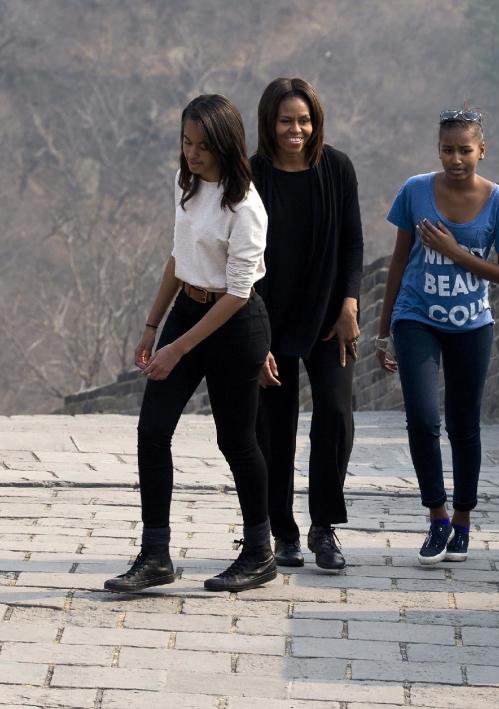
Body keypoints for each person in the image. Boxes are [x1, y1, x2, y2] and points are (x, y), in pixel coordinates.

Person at [104, 94, 276, 594]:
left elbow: (240, 293)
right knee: (152, 431)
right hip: (188, 308)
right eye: (185, 142)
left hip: (236, 323)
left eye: (201, 145)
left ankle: (258, 553)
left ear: (225, 143)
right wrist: (152, 327)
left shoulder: (245, 205)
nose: (192, 153)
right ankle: (155, 555)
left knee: (236, 440)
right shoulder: (187, 185)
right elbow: (178, 257)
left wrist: (178, 349)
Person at [376, 108, 499, 564]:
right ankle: (437, 516)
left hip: (471, 323)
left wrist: (454, 252)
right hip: (415, 316)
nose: (456, 158)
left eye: (465, 150)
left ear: (482, 150)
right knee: (423, 419)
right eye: (448, 149)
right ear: (437, 150)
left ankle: (463, 519)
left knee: (464, 424)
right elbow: (399, 262)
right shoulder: (415, 191)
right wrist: (383, 331)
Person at [251, 77, 363, 572]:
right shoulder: (250, 175)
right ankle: (284, 531)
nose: (296, 129)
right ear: (269, 123)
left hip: (328, 313)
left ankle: (324, 526)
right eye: (285, 120)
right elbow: (239, 255)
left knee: (336, 414)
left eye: (304, 120)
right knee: (274, 428)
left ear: (315, 121)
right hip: (268, 315)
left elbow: (353, 242)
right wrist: (253, 333)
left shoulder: (336, 168)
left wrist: (350, 304)